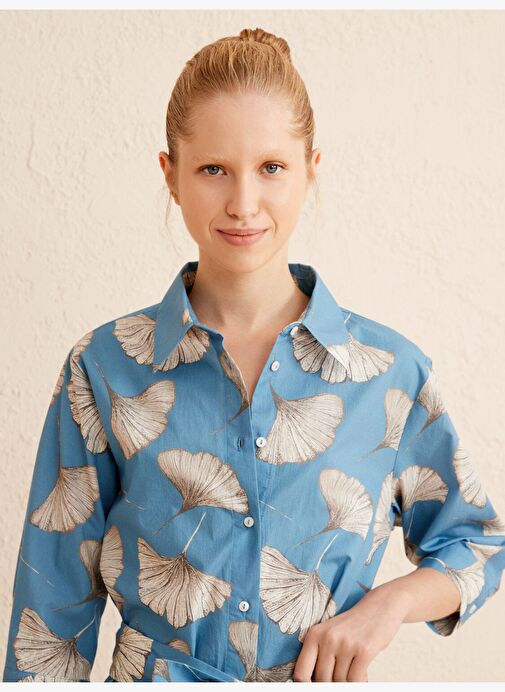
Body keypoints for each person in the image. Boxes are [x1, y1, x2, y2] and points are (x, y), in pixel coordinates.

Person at [3, 27, 505, 684]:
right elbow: (47, 628)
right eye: (213, 169)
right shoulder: (103, 368)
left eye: (271, 167)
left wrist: (387, 606)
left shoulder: (389, 374)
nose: (243, 204)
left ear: (310, 169)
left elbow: (474, 543)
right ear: (170, 175)